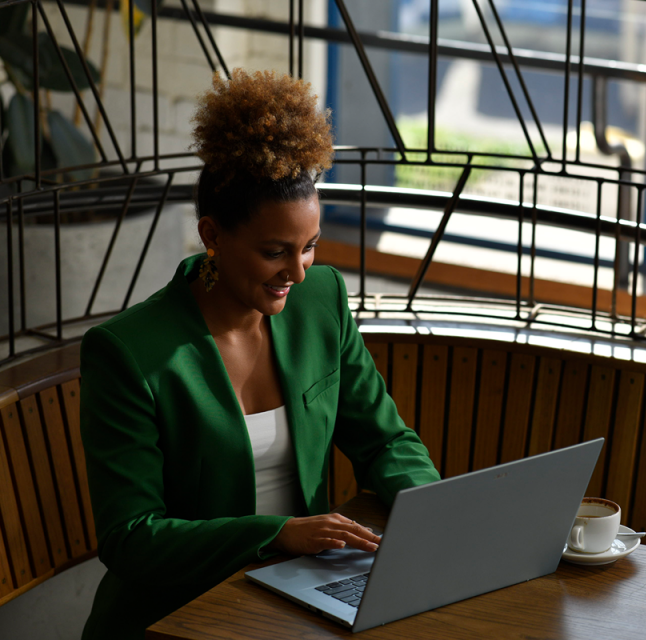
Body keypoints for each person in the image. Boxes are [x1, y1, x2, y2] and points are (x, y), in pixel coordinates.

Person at [79, 70, 441, 639]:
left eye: (310, 246)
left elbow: (385, 439)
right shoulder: (130, 354)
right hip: (180, 614)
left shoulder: (321, 300)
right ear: (212, 235)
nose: (297, 272)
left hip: (298, 597)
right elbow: (132, 538)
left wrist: (434, 512)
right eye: (275, 252)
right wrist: (275, 533)